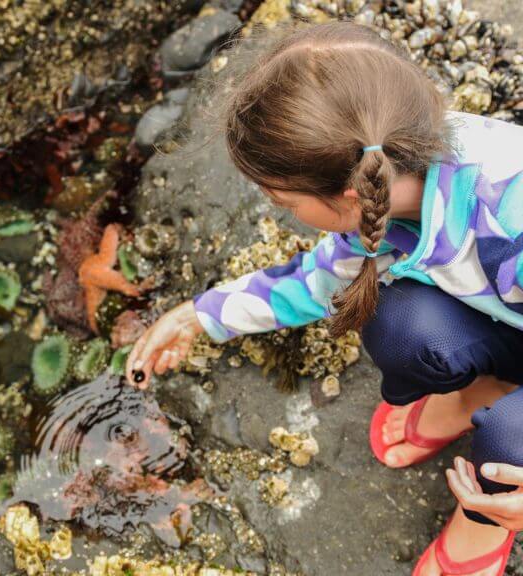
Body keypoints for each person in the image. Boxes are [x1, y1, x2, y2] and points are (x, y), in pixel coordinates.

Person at [125, 20, 523, 576]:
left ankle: (485, 518)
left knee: (511, 438)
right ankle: (487, 387)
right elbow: (316, 284)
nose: (281, 212)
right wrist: (200, 316)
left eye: (284, 203)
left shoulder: (510, 212)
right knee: (398, 325)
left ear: (348, 194)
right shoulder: (389, 180)